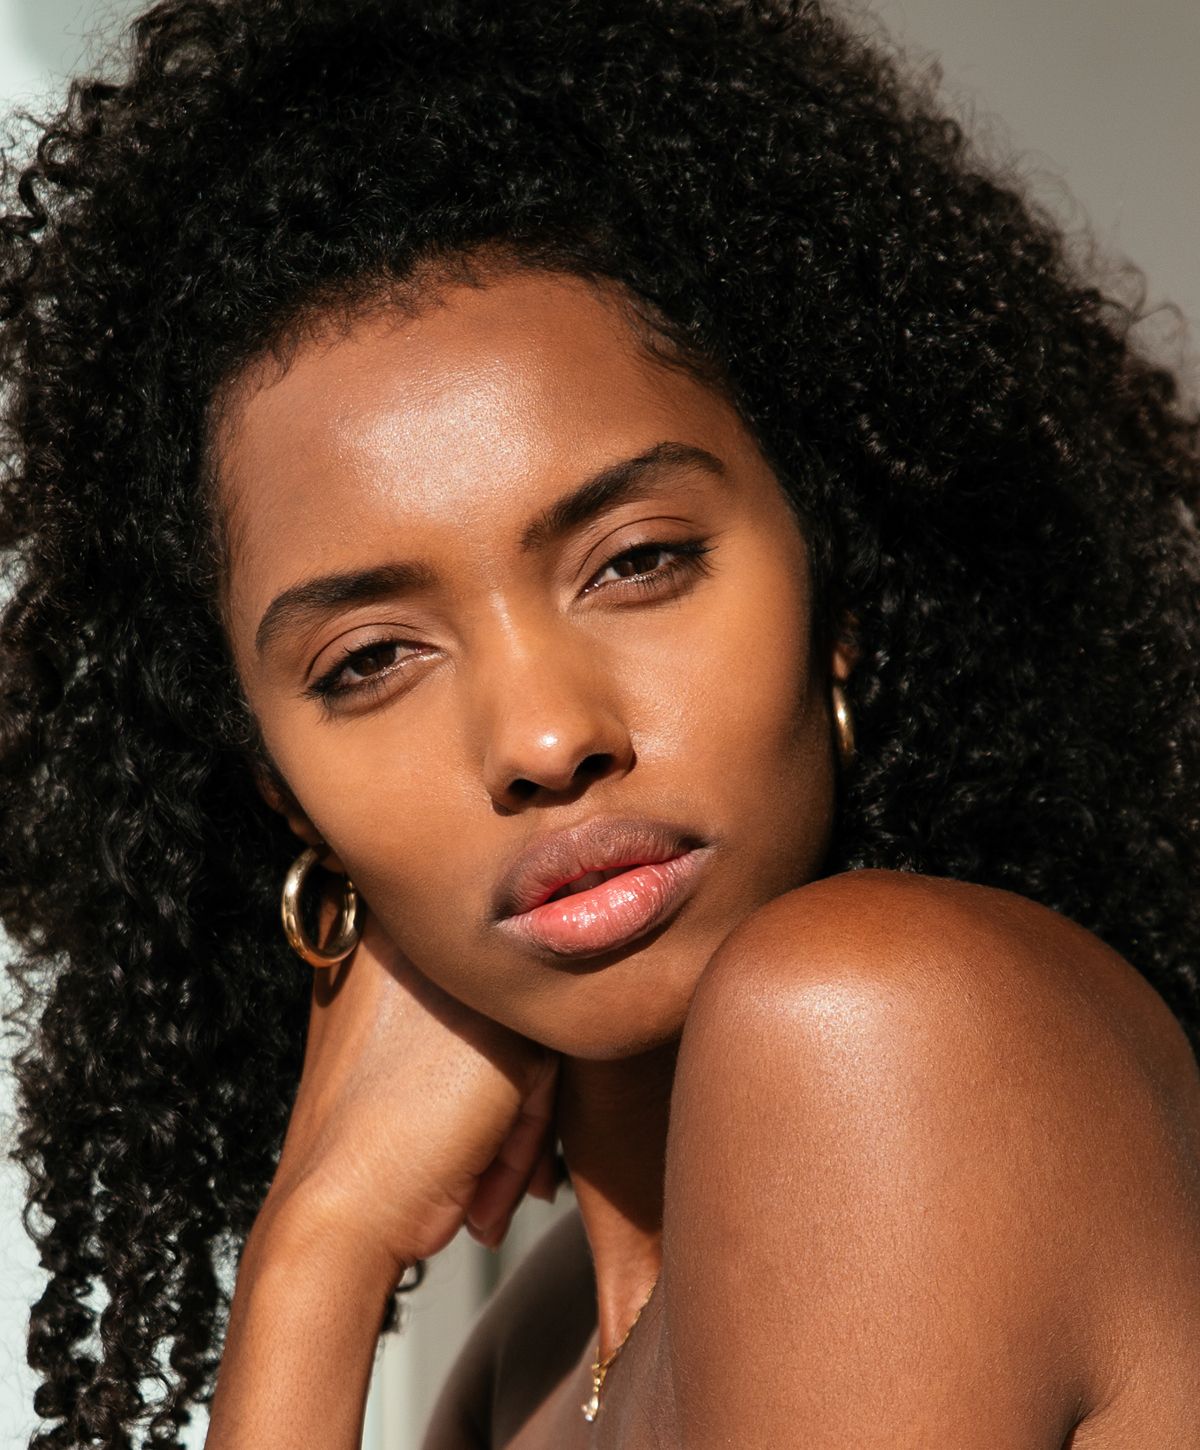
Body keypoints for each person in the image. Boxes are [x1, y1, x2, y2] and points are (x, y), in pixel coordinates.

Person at [1, 0, 1198, 1445]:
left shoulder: (881, 1028)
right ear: (277, 791)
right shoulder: (545, 1344)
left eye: (636, 561)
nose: (545, 738)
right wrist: (317, 1244)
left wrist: (318, 1273)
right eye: (374, 656)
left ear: (837, 575)